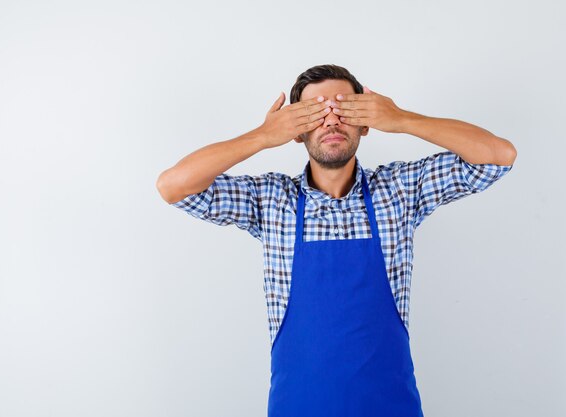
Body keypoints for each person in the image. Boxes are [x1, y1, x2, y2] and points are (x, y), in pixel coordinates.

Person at [156, 64, 517, 417]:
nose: (330, 120)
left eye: (344, 109)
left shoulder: (400, 191)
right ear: (295, 131)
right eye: (314, 112)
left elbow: (498, 157)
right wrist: (262, 136)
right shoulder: (269, 200)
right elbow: (174, 186)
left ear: (365, 123)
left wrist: (403, 119)